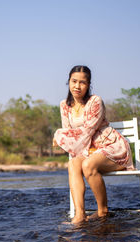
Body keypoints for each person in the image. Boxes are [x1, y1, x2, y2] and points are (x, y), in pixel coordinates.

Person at [53, 65, 134, 224]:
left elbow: (87, 131)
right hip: (87, 151)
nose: (77, 86)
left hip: (111, 147)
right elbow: (69, 132)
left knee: (88, 165)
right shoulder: (64, 105)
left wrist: (58, 134)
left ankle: (103, 211)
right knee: (73, 165)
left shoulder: (95, 101)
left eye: (82, 82)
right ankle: (80, 215)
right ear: (68, 82)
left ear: (88, 85)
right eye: (74, 81)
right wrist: (63, 133)